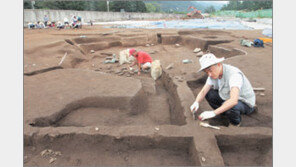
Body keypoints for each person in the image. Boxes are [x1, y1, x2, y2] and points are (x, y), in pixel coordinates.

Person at [190, 53, 257, 126]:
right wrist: (196, 102)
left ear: (218, 64)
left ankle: (235, 123)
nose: (209, 74)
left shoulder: (234, 75)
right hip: (227, 96)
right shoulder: (213, 75)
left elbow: (233, 100)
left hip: (244, 102)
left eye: (210, 70)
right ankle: (224, 113)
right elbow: (203, 91)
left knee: (231, 107)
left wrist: (213, 113)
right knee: (209, 93)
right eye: (206, 72)